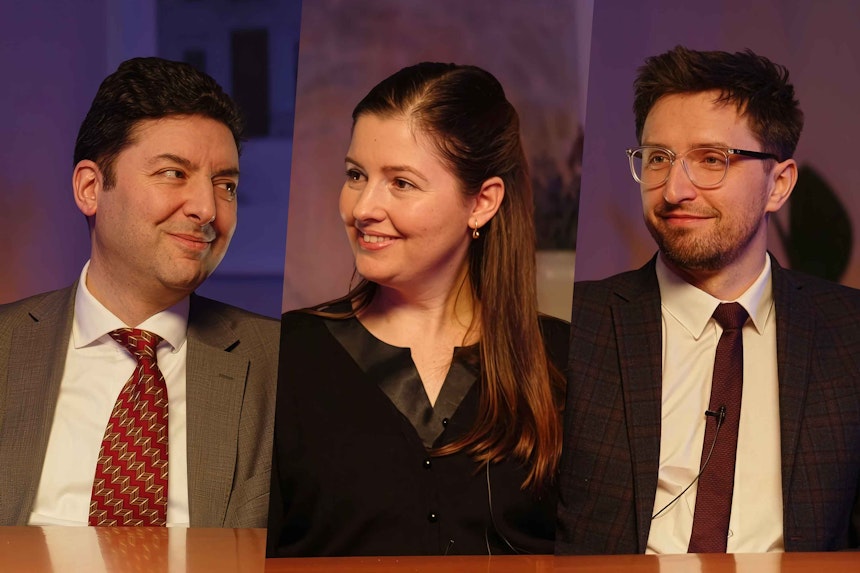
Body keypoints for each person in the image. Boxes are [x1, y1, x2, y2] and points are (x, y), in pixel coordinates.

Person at [556, 46, 860, 554]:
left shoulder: (849, 335)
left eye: (712, 160)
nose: (675, 189)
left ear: (779, 185)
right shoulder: (573, 327)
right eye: (658, 158)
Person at [267, 62, 568, 556]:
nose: (362, 208)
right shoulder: (285, 355)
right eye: (356, 175)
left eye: (401, 183)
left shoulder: (564, 363)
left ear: (482, 203)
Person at [0, 57, 278, 528]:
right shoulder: (7, 347)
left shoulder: (283, 363)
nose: (207, 208)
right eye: (173, 173)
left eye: (225, 185)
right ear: (91, 188)